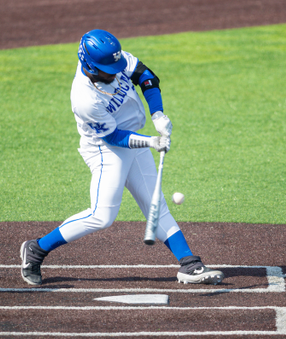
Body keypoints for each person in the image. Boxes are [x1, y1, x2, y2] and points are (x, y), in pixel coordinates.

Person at [20, 29, 224, 286]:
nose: (116, 72)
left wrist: (158, 114)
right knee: (101, 216)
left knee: (156, 204)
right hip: (106, 150)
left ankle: (189, 264)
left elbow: (146, 77)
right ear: (91, 67)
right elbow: (113, 137)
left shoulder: (112, 60)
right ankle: (36, 249)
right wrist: (150, 141)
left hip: (133, 138)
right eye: (110, 69)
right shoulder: (84, 99)